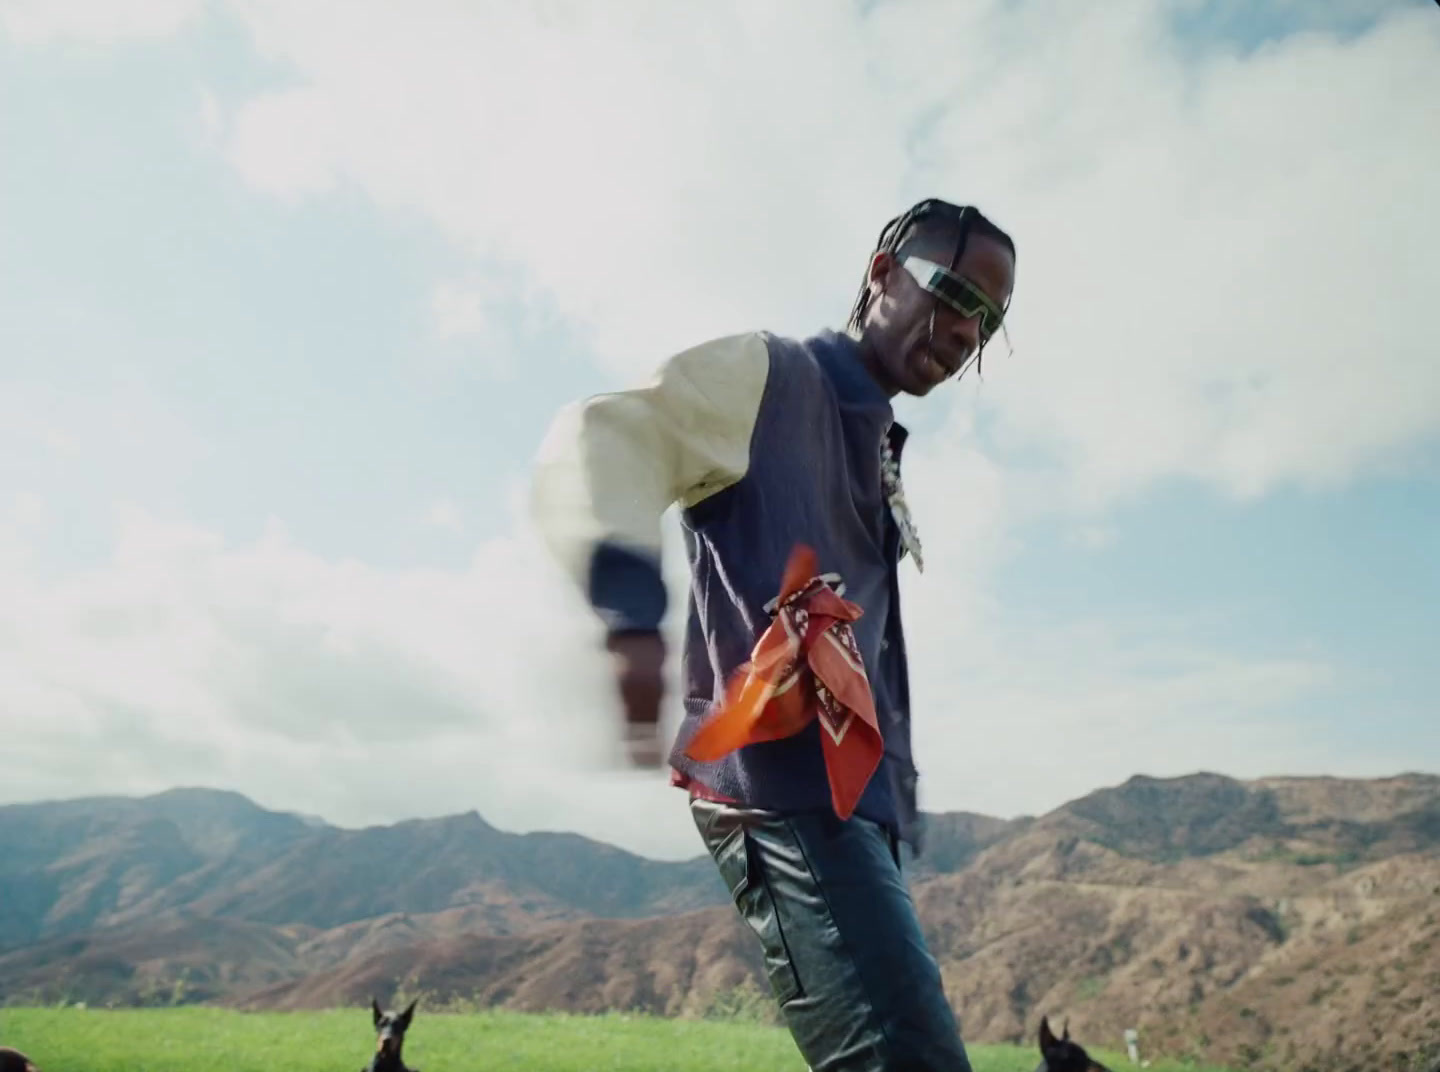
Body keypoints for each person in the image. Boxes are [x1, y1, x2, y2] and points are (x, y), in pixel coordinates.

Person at [529, 198, 1016, 1071]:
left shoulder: (878, 443)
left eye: (988, 321)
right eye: (951, 294)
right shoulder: (769, 376)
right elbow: (609, 435)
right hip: (778, 795)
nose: (962, 331)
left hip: (855, 816)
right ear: (881, 274)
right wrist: (632, 613)